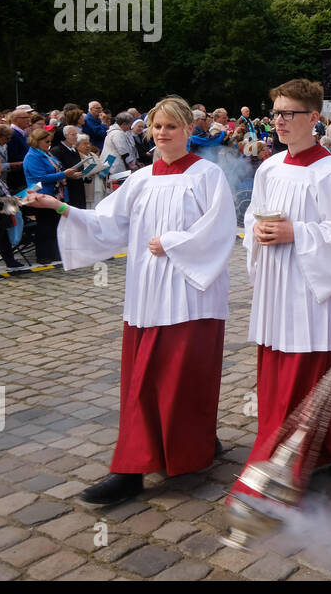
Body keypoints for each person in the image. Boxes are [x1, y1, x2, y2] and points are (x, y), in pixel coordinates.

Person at [24, 95, 237, 505]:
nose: (162, 133)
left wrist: (173, 242)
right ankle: (133, 466)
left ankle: (193, 446)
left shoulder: (207, 175)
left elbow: (221, 229)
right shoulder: (140, 180)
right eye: (157, 126)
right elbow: (106, 223)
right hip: (147, 295)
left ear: (189, 130)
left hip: (192, 295)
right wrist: (59, 206)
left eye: (171, 126)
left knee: (186, 378)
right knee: (143, 381)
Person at [234, 79, 331, 503]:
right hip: (275, 286)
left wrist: (296, 233)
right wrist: (258, 228)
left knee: (306, 376)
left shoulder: (330, 172)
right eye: (276, 114)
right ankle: (330, 446)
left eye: (289, 114)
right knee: (276, 372)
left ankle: (289, 460)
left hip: (309, 294)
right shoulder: (269, 167)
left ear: (314, 118)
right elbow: (253, 214)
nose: (280, 122)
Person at [22, 128, 81, 264]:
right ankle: (43, 255)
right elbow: (40, 177)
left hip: (55, 194)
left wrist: (68, 174)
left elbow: (57, 168)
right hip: (41, 196)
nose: (49, 144)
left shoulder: (46, 153)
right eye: (46, 141)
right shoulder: (33, 156)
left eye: (50, 141)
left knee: (55, 224)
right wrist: (63, 174)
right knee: (45, 226)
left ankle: (54, 253)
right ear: (36, 141)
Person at [52, 125, 89, 211]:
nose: (76, 136)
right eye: (73, 134)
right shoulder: (56, 151)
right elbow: (58, 170)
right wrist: (70, 175)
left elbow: (80, 166)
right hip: (67, 189)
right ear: (64, 136)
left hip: (78, 186)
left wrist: (86, 175)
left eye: (76, 134)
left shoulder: (74, 149)